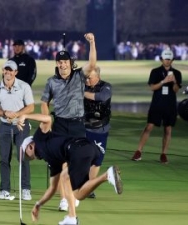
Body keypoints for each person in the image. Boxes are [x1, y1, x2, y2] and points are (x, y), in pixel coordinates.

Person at [16, 113, 122, 225]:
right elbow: (52, 188)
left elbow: (47, 119)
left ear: (30, 146)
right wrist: (38, 204)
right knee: (65, 176)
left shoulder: (39, 138)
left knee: (78, 194)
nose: (28, 158)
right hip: (87, 147)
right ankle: (72, 217)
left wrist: (25, 116)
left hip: (78, 150)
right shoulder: (52, 160)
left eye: (26, 155)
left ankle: (107, 175)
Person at [40, 33, 97, 211]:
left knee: (76, 161)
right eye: (60, 62)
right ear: (57, 64)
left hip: (77, 124)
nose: (63, 64)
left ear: (70, 63)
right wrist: (46, 120)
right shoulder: (51, 82)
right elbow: (44, 102)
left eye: (66, 61)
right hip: (60, 125)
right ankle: (65, 199)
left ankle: (74, 192)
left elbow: (93, 64)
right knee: (62, 162)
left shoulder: (79, 76)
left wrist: (92, 43)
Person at [0, 60, 35, 201]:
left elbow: (31, 107)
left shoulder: (24, 86)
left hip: (21, 124)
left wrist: (16, 114)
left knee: (22, 156)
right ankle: (4, 190)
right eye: (6, 70)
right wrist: (5, 114)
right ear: (3, 71)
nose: (8, 73)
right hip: (5, 126)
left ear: (16, 72)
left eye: (11, 71)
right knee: (4, 158)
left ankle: (26, 189)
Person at [131, 49, 182, 163]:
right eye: (165, 59)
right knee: (149, 126)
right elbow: (152, 87)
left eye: (169, 59)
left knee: (168, 129)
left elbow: (176, 90)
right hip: (157, 103)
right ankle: (138, 151)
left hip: (170, 104)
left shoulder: (177, 73)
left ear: (172, 60)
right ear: (161, 59)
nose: (167, 61)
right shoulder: (155, 71)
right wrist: (164, 81)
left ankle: (164, 154)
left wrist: (174, 81)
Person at [83, 66, 112, 199]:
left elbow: (102, 97)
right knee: (83, 157)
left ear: (97, 77)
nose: (87, 80)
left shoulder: (106, 87)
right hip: (84, 128)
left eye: (90, 77)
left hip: (100, 129)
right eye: (86, 77)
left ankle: (89, 187)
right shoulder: (82, 85)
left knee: (97, 159)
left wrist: (82, 93)